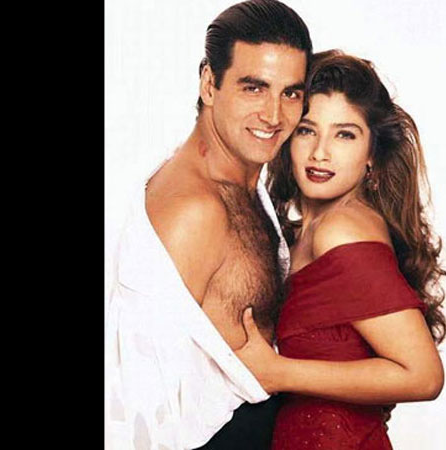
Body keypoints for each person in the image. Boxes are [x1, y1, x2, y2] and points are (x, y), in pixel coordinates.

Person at [104, 1, 312, 449]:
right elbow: (134, 411)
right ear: (209, 84)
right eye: (254, 88)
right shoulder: (194, 211)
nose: (274, 115)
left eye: (291, 93)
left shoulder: (243, 180)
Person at [235, 50, 446, 449]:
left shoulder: (341, 231)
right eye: (307, 130)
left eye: (344, 134)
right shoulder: (306, 233)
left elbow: (423, 375)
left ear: (372, 156)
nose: (320, 152)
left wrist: (278, 372)